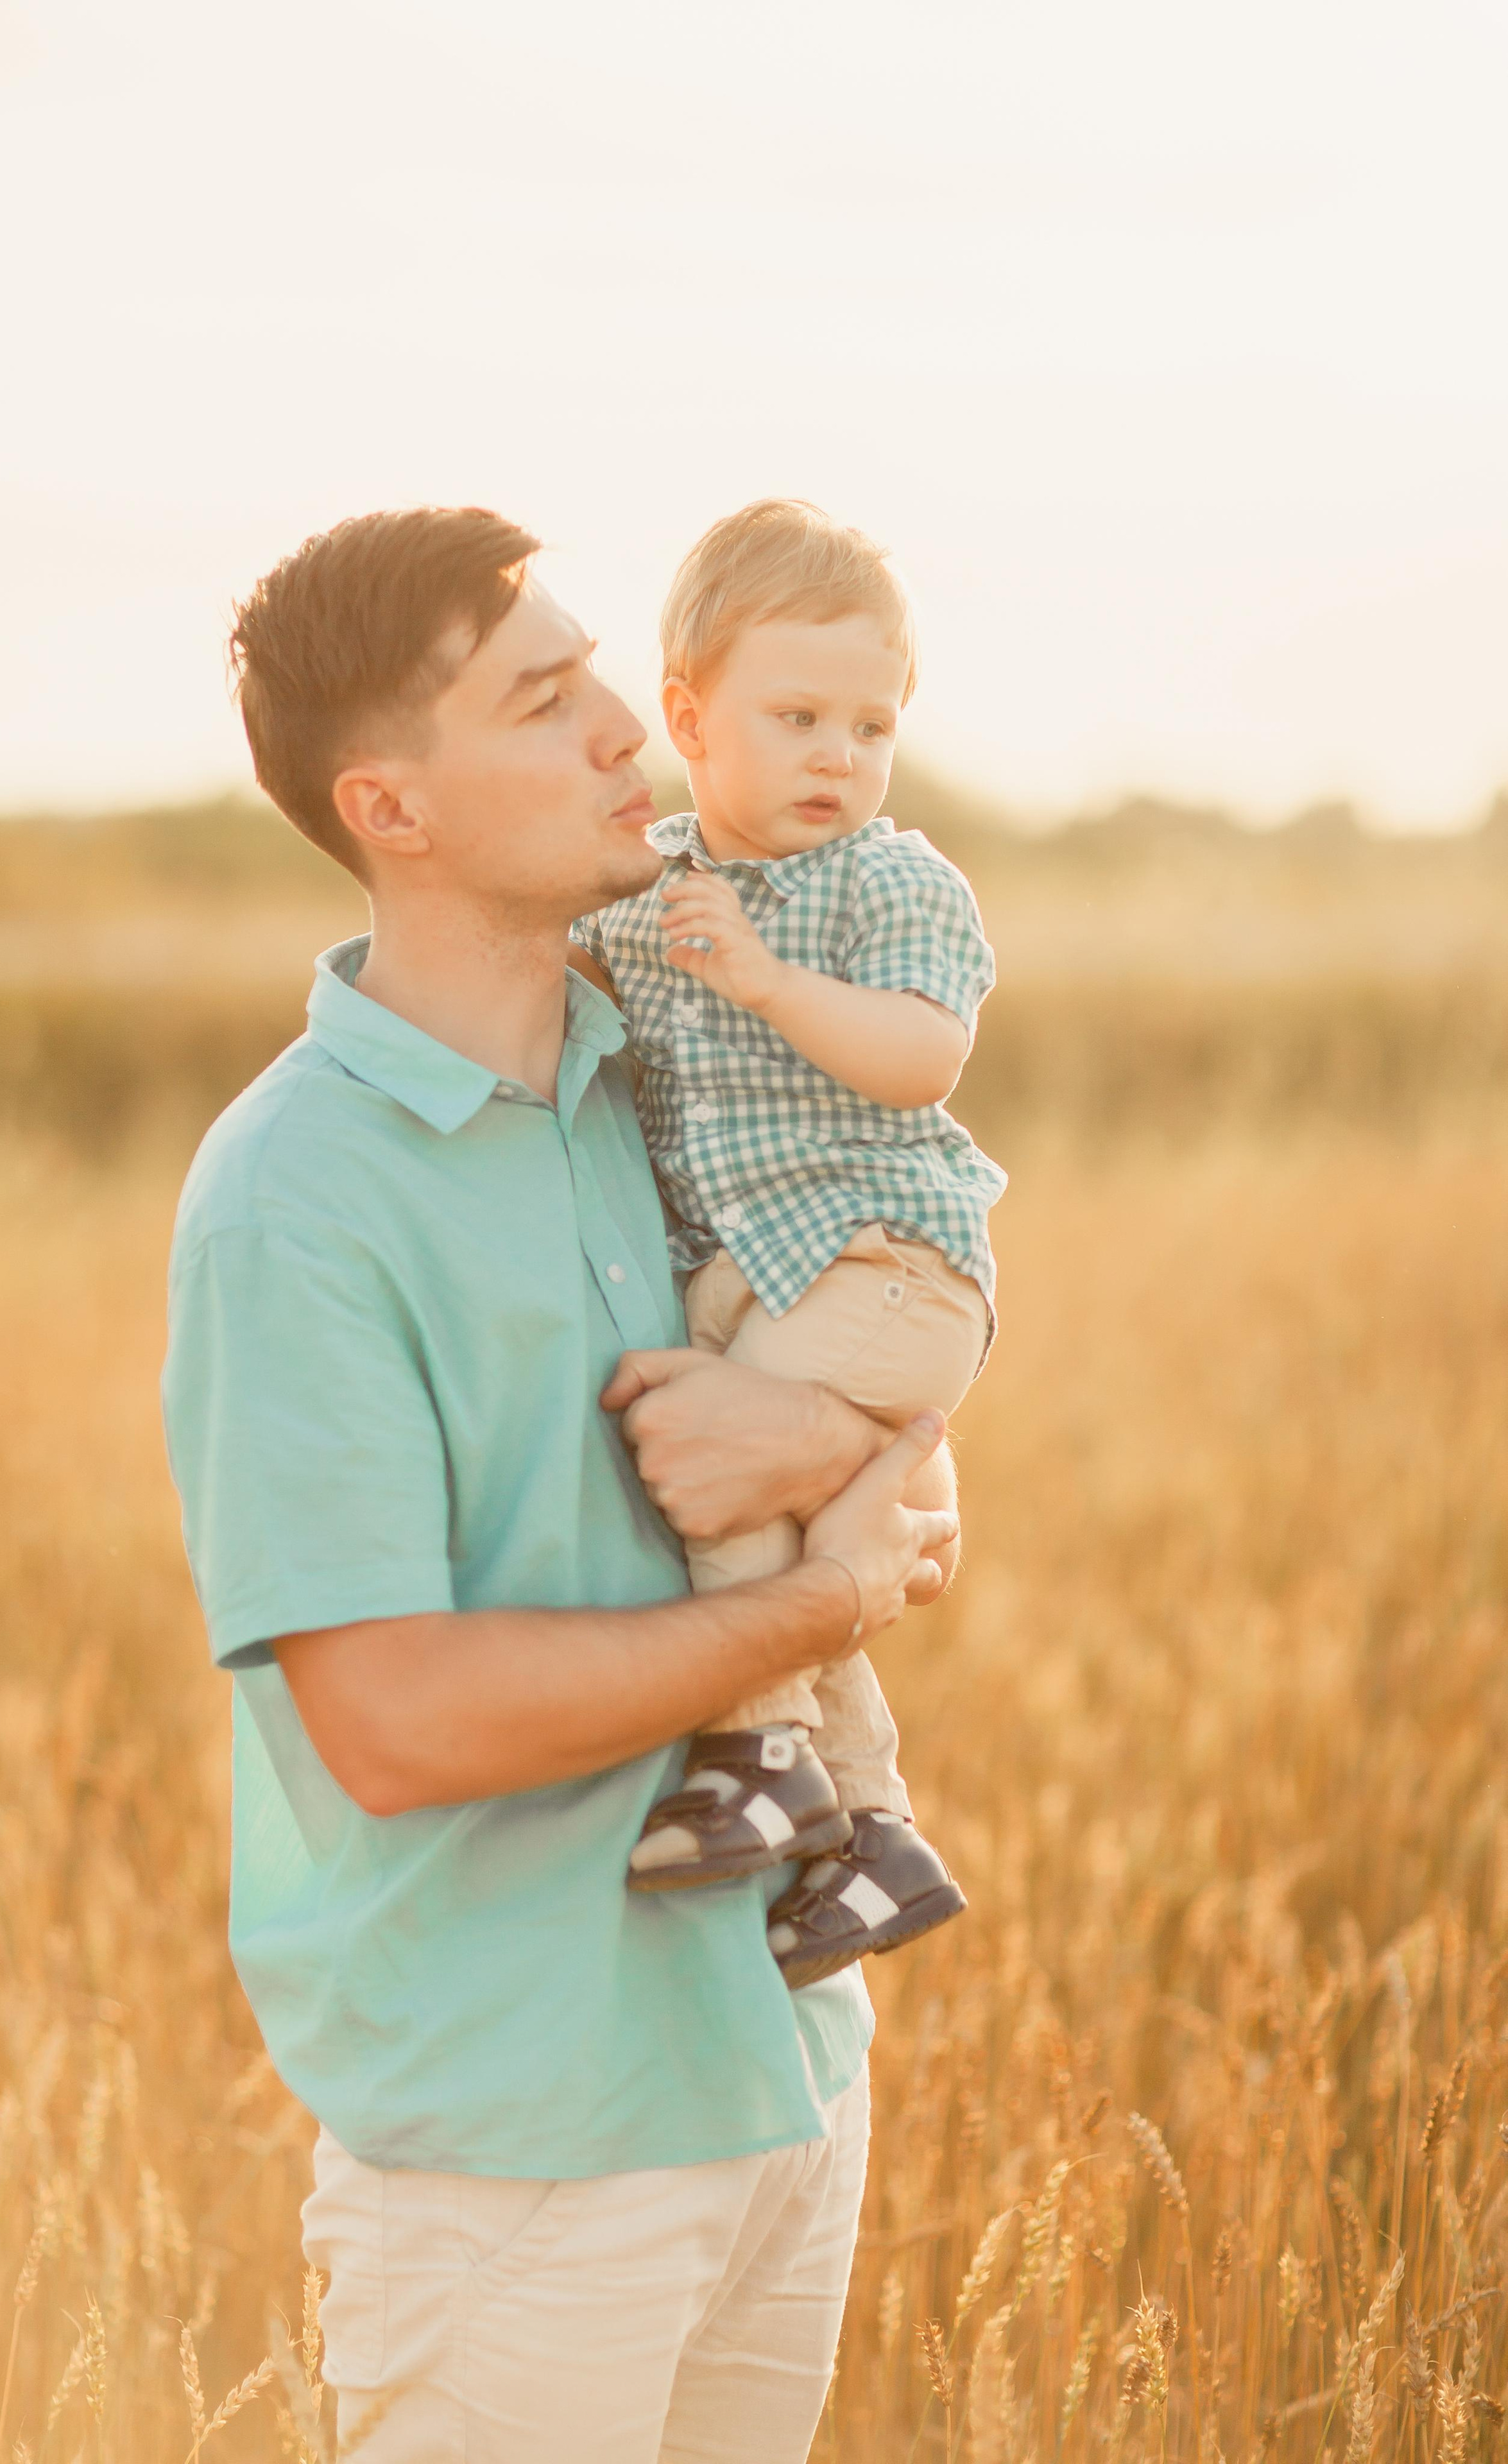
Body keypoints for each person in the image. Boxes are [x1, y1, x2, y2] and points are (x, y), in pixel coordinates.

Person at [160, 505, 964, 2463]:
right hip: (525, 2162)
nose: (628, 728)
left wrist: (854, 1442)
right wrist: (812, 1604)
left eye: (603, 672)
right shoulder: (296, 1197)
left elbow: (910, 1427)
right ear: (394, 806)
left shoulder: (663, 1074)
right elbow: (397, 1724)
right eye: (547, 698)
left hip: (783, 2071)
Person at [572, 501, 1005, 1989]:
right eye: (799, 714)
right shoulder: (648, 890)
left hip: (885, 1262)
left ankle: (760, 1753)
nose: (841, 754)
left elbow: (921, 1056)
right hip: (755, 1274)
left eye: (871, 724)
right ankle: (867, 1826)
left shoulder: (886, 881)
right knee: (735, 1478)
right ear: (687, 719)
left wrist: (765, 984)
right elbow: (581, 987)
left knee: (720, 1448)